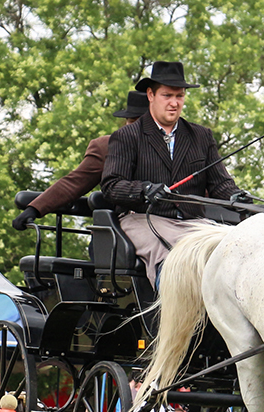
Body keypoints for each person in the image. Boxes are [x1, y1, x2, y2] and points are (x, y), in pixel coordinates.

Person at [101, 61, 244, 286]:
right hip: (143, 219)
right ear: (150, 95)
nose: (174, 103)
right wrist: (144, 190)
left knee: (233, 253)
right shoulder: (128, 136)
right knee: (175, 260)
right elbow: (111, 186)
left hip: (194, 224)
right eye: (167, 95)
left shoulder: (201, 136)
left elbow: (220, 184)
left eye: (180, 96)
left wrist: (236, 196)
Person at [12, 91, 150, 230]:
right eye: (131, 122)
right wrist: (35, 209)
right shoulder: (107, 147)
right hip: (128, 227)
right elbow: (74, 182)